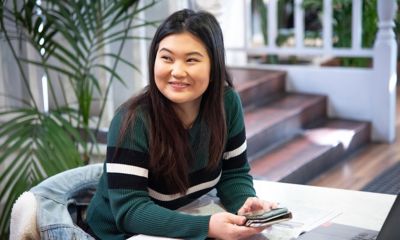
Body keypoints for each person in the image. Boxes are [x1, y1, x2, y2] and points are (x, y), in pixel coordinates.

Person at [86, 9, 276, 240]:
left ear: (214, 67)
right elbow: (129, 210)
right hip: (121, 234)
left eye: (191, 60)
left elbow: (234, 173)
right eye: (166, 58)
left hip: (180, 219)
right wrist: (206, 227)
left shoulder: (227, 104)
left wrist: (245, 203)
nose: (177, 71)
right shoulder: (132, 120)